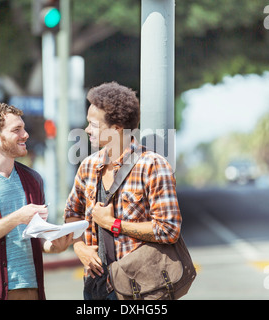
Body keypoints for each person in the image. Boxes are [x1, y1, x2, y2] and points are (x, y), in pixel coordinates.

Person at [64, 82, 182, 300]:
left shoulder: (153, 166)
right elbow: (72, 213)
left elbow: (169, 229)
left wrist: (113, 224)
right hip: (95, 286)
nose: (87, 129)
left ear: (117, 128)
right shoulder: (88, 166)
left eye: (94, 124)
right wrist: (79, 246)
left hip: (139, 289)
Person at [0, 102, 72, 300]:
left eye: (23, 128)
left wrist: (53, 247)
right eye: (16, 130)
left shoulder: (33, 179)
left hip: (32, 290)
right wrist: (17, 217)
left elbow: (35, 237)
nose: (25, 135)